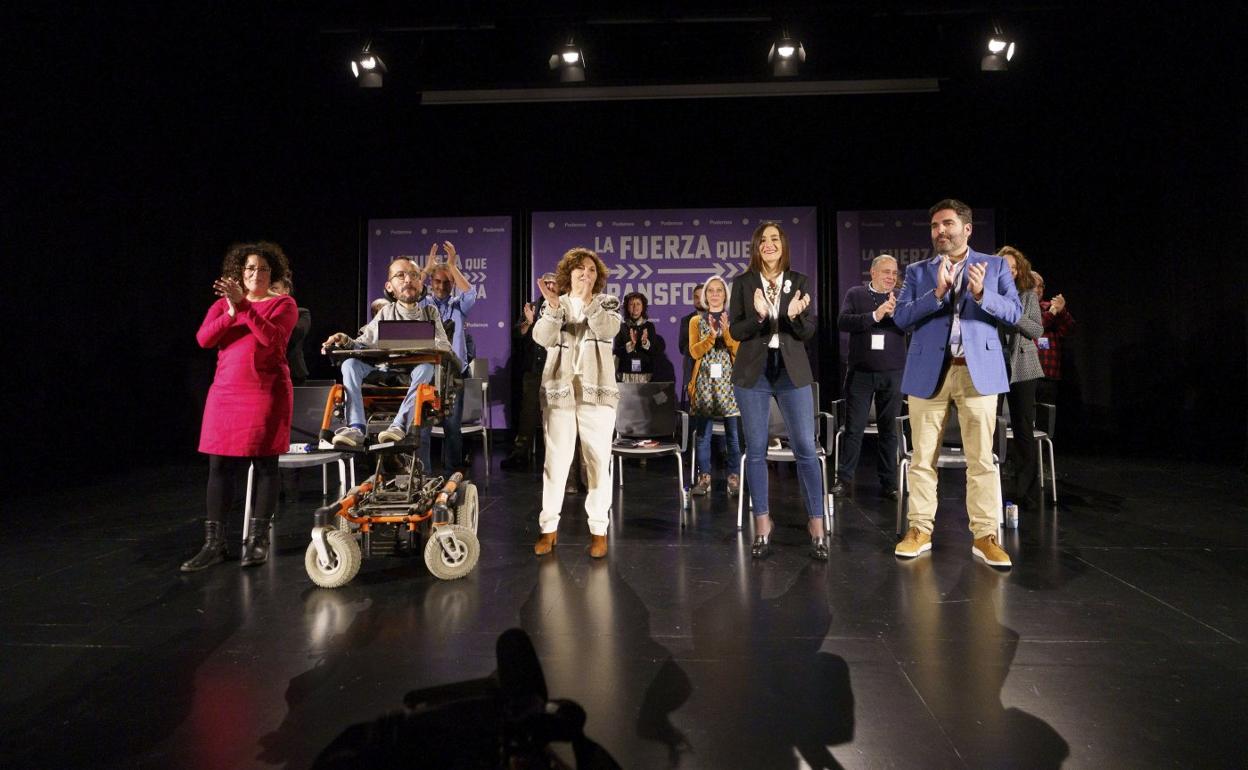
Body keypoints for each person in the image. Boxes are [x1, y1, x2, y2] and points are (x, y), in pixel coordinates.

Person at [892, 200, 1021, 568]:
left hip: (977, 371)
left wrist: (983, 295)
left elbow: (1014, 314)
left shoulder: (994, 266)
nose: (940, 232)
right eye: (934, 226)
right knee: (922, 459)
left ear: (967, 229)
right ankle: (919, 530)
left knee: (981, 459)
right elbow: (901, 318)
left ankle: (985, 535)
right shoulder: (918, 271)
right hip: (928, 373)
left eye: (947, 224)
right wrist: (936, 294)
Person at [183, 241, 298, 572]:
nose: (256, 274)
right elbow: (204, 340)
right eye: (249, 268)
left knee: (264, 465)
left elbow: (272, 341)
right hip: (226, 393)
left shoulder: (283, 304)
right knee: (218, 465)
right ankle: (214, 544)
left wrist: (245, 310)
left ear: (271, 273)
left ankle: (257, 541)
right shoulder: (224, 305)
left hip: (264, 392)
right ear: (239, 272)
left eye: (262, 269)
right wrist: (232, 312)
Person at [729, 222, 826, 561]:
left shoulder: (798, 281)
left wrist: (795, 317)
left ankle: (817, 525)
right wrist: (758, 316)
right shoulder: (743, 283)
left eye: (774, 239)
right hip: (753, 375)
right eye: (762, 240)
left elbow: (807, 331)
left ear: (783, 245)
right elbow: (736, 330)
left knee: (805, 448)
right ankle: (762, 526)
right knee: (755, 450)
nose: (768, 245)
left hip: (791, 372)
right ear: (756, 247)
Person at [532, 248, 621, 559]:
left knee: (598, 462)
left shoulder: (606, 303)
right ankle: (549, 529)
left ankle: (599, 530)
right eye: (580, 269)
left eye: (592, 270)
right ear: (568, 274)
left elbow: (609, 329)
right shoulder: (555, 305)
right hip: (560, 391)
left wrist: (588, 302)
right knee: (556, 463)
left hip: (597, 392)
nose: (587, 274)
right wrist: (556, 307)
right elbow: (541, 337)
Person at [322, 254, 457, 454]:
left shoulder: (430, 313)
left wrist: (418, 341)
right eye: (400, 276)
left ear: (421, 284)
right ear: (389, 287)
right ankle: (357, 428)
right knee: (349, 364)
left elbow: (445, 346)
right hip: (384, 372)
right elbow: (362, 344)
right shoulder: (385, 314)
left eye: (413, 275)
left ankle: (398, 426)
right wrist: (344, 339)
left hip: (413, 374)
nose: (408, 280)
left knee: (426, 368)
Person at [832, 254, 906, 501]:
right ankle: (844, 479)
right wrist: (875, 315)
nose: (891, 277)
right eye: (886, 272)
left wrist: (897, 314)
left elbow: (912, 326)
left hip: (893, 373)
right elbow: (843, 321)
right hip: (861, 373)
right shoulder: (856, 294)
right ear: (872, 273)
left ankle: (889, 484)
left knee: (889, 431)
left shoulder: (902, 297)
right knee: (854, 428)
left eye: (894, 273)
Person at [418, 243, 477, 474]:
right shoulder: (424, 304)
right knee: (422, 426)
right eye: (437, 281)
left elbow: (470, 293)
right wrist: (427, 269)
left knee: (452, 426)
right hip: (427, 370)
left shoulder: (458, 306)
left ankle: (454, 473)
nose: (441, 286)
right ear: (431, 283)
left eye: (446, 282)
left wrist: (452, 266)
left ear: (452, 284)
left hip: (454, 373)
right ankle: (423, 475)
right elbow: (411, 292)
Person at [997, 246, 1045, 508]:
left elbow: (1036, 330)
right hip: (994, 366)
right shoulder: (987, 295)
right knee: (990, 427)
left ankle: (1025, 492)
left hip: (1023, 367)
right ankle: (992, 487)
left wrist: (1014, 316)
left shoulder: (1027, 296)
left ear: (1019, 271)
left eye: (1013, 268)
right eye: (1004, 267)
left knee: (1023, 429)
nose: (1009, 272)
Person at [687, 275, 742, 497]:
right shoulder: (696, 321)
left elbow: (737, 351)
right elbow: (694, 352)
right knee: (703, 435)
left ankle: (733, 478)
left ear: (725, 295)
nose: (715, 294)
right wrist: (710, 337)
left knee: (733, 435)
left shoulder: (733, 320)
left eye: (719, 290)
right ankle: (704, 478)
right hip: (704, 383)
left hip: (729, 383)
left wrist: (726, 332)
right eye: (711, 291)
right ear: (705, 295)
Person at [502, 271, 558, 471]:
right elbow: (518, 334)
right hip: (533, 369)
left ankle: (556, 457)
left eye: (554, 283)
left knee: (556, 415)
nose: (550, 287)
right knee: (528, 413)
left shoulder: (563, 306)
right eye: (547, 283)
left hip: (557, 371)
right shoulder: (532, 307)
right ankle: (520, 454)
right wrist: (528, 321)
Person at [1033, 272, 1075, 408]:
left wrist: (1062, 311)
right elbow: (1036, 325)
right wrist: (1052, 313)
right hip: (1026, 375)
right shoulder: (1018, 308)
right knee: (1025, 417)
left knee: (1045, 418)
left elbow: (1069, 330)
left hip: (1048, 374)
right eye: (1034, 285)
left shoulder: (1050, 307)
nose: (1038, 290)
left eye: (1041, 286)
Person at [614, 292, 664, 383]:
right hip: (625, 374)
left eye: (638, 304)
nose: (635, 307)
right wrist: (630, 345)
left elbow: (654, 351)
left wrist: (645, 343)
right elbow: (616, 351)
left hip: (646, 374)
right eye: (631, 304)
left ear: (643, 307)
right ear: (627, 307)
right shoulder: (622, 327)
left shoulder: (649, 326)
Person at [272, 272, 311, 386]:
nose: (269, 292)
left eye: (274, 288)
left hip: (293, 374)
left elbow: (295, 335)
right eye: (268, 289)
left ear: (286, 290)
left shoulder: (302, 313)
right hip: (263, 372)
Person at [678, 285, 706, 397]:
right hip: (692, 370)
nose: (699, 300)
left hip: (714, 372)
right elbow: (682, 347)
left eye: (702, 297)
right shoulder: (686, 320)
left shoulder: (718, 317)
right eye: (696, 297)